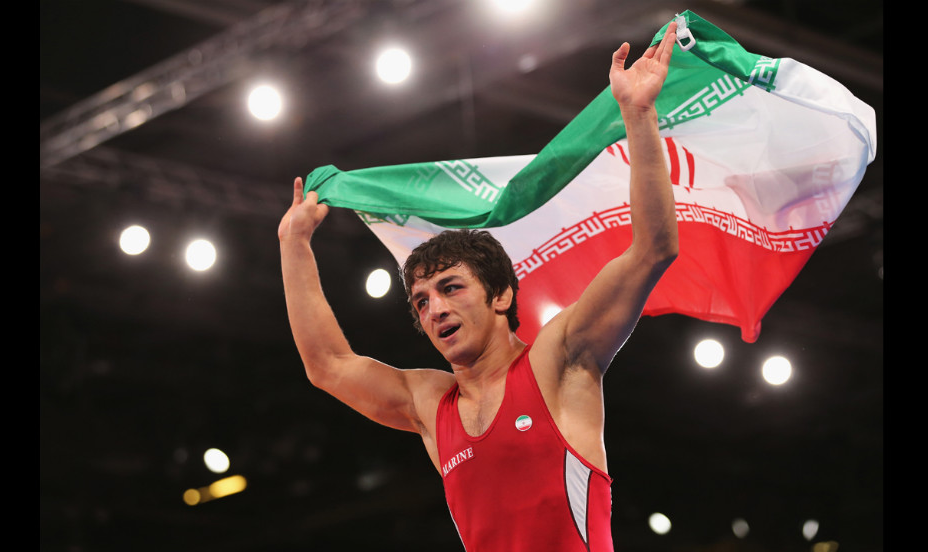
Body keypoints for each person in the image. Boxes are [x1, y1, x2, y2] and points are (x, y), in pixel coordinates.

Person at [278, 21, 680, 552]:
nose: (434, 308)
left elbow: (653, 249)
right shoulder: (431, 404)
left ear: (501, 296)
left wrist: (638, 113)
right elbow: (327, 365)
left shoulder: (558, 360)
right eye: (421, 301)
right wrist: (294, 244)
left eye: (450, 288)